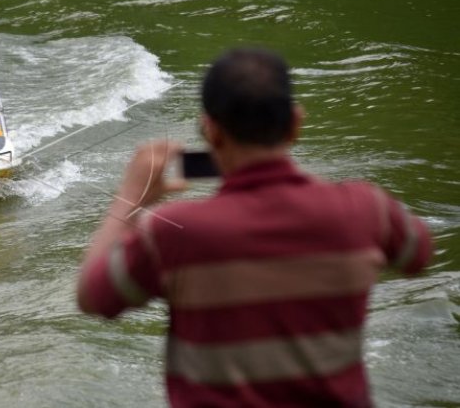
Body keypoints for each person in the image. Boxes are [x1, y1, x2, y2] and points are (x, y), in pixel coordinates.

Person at [76, 47, 433, 407]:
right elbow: (419, 253)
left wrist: (130, 197)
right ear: (295, 124)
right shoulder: (366, 208)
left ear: (211, 133)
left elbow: (94, 297)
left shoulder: (176, 232)